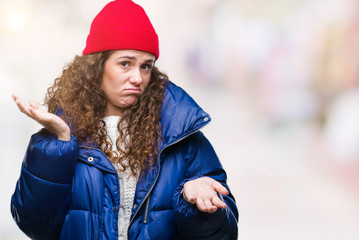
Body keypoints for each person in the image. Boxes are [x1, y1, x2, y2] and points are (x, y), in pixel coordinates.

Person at [10, 0, 239, 239]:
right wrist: (60, 143)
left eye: (146, 66)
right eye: (125, 63)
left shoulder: (181, 136)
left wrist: (196, 204)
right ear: (97, 67)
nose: (137, 77)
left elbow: (223, 234)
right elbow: (35, 225)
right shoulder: (64, 135)